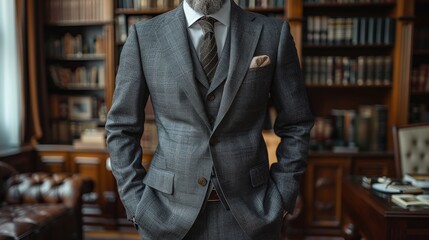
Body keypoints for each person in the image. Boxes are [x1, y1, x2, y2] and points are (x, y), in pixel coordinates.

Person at [105, 0, 314, 239]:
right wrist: (137, 203)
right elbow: (121, 127)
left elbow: (297, 123)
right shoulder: (145, 36)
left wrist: (282, 196)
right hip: (165, 215)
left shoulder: (273, 33)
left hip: (253, 214)